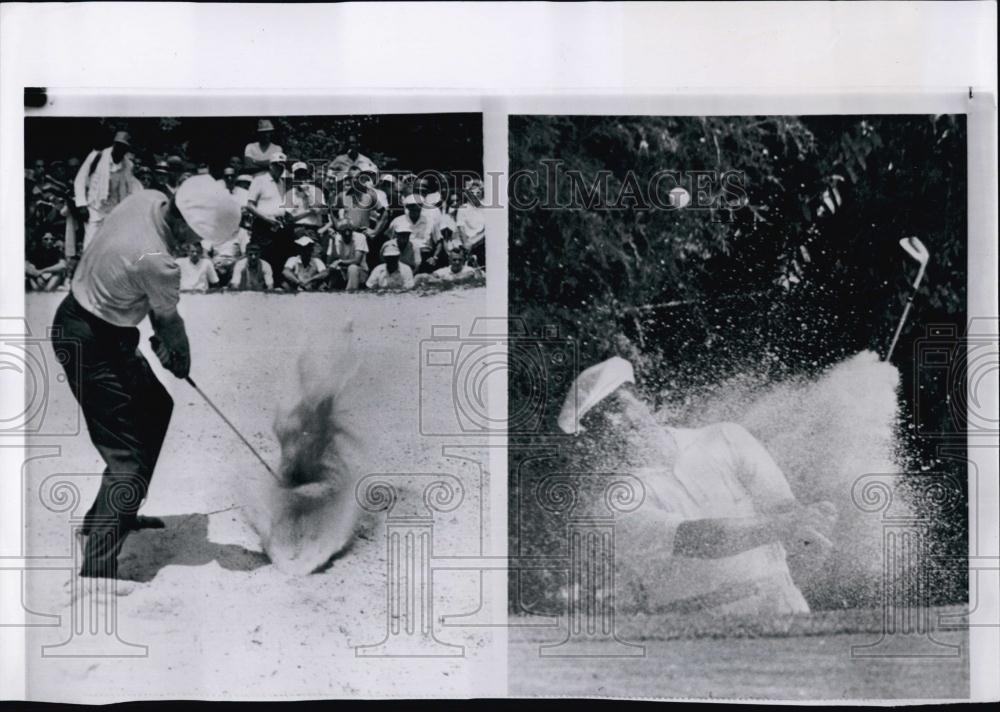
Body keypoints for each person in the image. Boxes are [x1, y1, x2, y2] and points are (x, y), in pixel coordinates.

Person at [52, 174, 240, 579]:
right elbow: (170, 326)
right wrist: (180, 359)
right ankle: (98, 568)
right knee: (127, 458)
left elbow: (149, 305)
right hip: (89, 342)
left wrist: (159, 341)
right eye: (197, 237)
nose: (196, 247)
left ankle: (119, 513)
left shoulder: (148, 198)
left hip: (99, 327)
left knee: (156, 405)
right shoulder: (161, 262)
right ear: (186, 221)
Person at [556, 357, 837, 616]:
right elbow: (701, 539)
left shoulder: (727, 437)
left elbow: (790, 518)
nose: (614, 424)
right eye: (599, 422)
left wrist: (810, 538)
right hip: (696, 632)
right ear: (595, 440)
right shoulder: (613, 502)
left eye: (617, 407)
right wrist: (788, 524)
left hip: (785, 608)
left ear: (645, 400)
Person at [73, 131, 142, 249]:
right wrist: (82, 204)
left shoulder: (128, 165)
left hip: (115, 211)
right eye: (118, 145)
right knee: (90, 244)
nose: (120, 149)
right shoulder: (97, 156)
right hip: (95, 208)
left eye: (124, 147)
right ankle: (88, 267)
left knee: (112, 246)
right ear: (114, 144)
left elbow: (131, 189)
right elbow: (80, 179)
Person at [246, 153, 293, 281]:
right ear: (271, 166)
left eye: (282, 166)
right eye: (277, 165)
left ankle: (275, 288)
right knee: (263, 257)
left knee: (278, 257)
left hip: (278, 225)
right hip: (263, 225)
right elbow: (250, 205)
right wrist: (267, 218)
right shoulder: (259, 180)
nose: (281, 168)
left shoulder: (282, 183)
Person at [324, 219, 369, 292]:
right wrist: (332, 241)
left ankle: (351, 293)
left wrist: (340, 262)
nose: (347, 233)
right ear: (339, 231)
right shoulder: (335, 238)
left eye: (349, 230)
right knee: (331, 269)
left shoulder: (360, 237)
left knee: (352, 268)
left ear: (352, 230)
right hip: (342, 271)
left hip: (360, 271)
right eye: (344, 231)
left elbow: (357, 260)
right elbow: (329, 261)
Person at [284, 161, 328, 231]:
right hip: (296, 228)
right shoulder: (290, 194)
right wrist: (309, 212)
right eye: (298, 176)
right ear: (294, 178)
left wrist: (309, 195)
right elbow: (289, 218)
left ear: (307, 176)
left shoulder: (317, 191)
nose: (301, 178)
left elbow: (324, 211)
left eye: (303, 175)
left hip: (313, 228)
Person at [456, 179, 487, 267]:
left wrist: (473, 243)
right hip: (466, 246)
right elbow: (461, 228)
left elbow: (487, 229)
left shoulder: (487, 208)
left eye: (478, 192)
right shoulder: (462, 208)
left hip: (482, 244)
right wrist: (467, 245)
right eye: (471, 192)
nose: (475, 194)